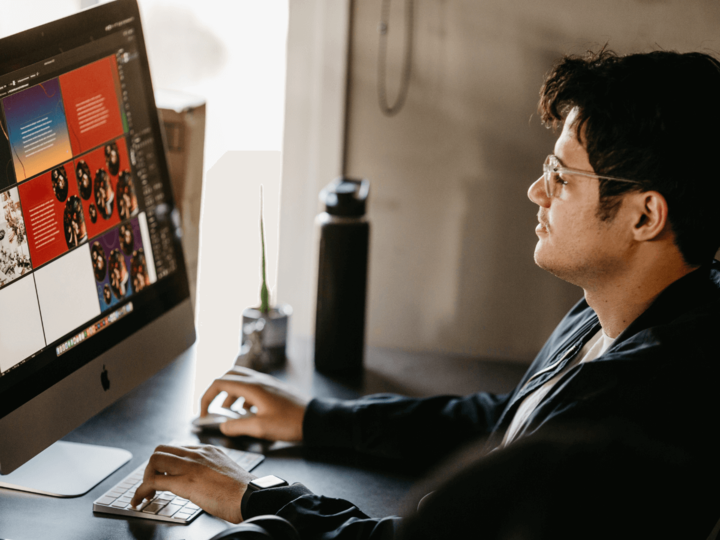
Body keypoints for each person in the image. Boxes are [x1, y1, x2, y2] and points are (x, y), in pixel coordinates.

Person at [131, 49, 720, 538]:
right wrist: (315, 419)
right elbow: (511, 421)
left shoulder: (636, 410)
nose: (536, 190)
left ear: (646, 216)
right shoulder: (615, 313)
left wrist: (254, 496)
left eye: (563, 177)